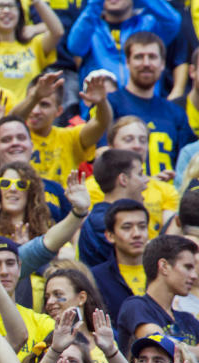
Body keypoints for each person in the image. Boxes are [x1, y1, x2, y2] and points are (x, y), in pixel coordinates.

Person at [106, 32, 194, 176]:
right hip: (124, 194)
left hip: (166, 196)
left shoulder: (176, 113)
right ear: (127, 62)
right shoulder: (109, 104)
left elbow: (188, 162)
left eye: (152, 57)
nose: (146, 63)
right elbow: (101, 154)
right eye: (139, 57)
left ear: (162, 63)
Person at [88, 116, 180, 239]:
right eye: (128, 139)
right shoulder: (93, 186)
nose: (137, 146)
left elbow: (171, 236)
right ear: (111, 146)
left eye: (143, 140)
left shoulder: (165, 189)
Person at [17, 72, 112, 187]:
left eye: (44, 105)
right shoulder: (15, 139)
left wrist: (102, 103)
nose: (35, 111)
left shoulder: (70, 138)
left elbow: (101, 122)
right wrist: (34, 97)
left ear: (59, 111)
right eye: (32, 102)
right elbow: (10, 121)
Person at [66, 0, 180, 90]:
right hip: (100, 110)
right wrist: (95, 4)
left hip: (142, 109)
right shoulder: (90, 27)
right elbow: (75, 47)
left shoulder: (148, 25)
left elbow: (172, 21)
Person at [116, 235, 199, 354]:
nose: (194, 276)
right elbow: (160, 346)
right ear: (164, 266)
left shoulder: (188, 319)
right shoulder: (136, 306)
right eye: (187, 267)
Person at [0, 0, 63, 102]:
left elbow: (57, 32)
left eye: (11, 6)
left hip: (29, 112)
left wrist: (37, 2)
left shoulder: (34, 44)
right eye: (0, 6)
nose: (6, 11)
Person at [78, 150, 148, 267]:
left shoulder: (101, 216)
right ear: (123, 179)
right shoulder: (102, 222)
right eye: (140, 174)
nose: (146, 181)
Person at [91, 200, 149, 321]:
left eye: (142, 227)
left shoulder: (164, 271)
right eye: (127, 228)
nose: (137, 234)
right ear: (110, 236)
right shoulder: (96, 278)